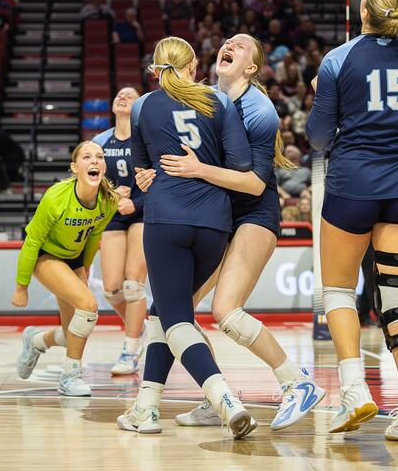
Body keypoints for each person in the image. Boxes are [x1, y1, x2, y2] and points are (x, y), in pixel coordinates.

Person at [136, 33, 326, 430]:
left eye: (240, 46)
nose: (229, 45)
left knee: (225, 310)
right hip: (213, 214)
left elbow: (255, 184)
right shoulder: (201, 96)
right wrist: (154, 171)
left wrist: (197, 170)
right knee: (170, 313)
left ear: (252, 67)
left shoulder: (258, 108)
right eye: (227, 42)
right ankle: (212, 395)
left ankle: (296, 383)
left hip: (253, 212)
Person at [306, 0, 398, 442]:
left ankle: (354, 390)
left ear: (364, 10)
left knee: (339, 290)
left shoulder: (337, 60)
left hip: (352, 185)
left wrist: (328, 96)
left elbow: (319, 137)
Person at [116, 36, 256, 438]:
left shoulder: (143, 105)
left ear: (155, 70)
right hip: (214, 224)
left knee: (176, 318)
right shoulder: (219, 101)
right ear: (194, 66)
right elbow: (243, 163)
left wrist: (149, 175)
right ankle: (147, 408)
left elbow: (142, 169)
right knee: (164, 312)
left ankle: (224, 399)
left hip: (167, 221)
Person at [12, 141, 118, 395]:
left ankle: (36, 341)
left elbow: (93, 237)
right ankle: (70, 376)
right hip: (45, 256)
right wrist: (21, 286)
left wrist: (85, 268)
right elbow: (32, 241)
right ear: (74, 167)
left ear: (103, 166)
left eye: (99, 157)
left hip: (74, 260)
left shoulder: (109, 201)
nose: (94, 161)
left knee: (74, 332)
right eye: (87, 157)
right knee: (88, 307)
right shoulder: (56, 197)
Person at [90, 88, 148, 376]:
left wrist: (133, 202)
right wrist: (112, 197)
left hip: (143, 211)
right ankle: (141, 326)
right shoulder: (99, 142)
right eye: (119, 95)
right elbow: (88, 183)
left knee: (133, 285)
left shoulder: (147, 136)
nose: (122, 97)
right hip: (113, 214)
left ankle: (130, 348)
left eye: (130, 95)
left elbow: (160, 179)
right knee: (112, 289)